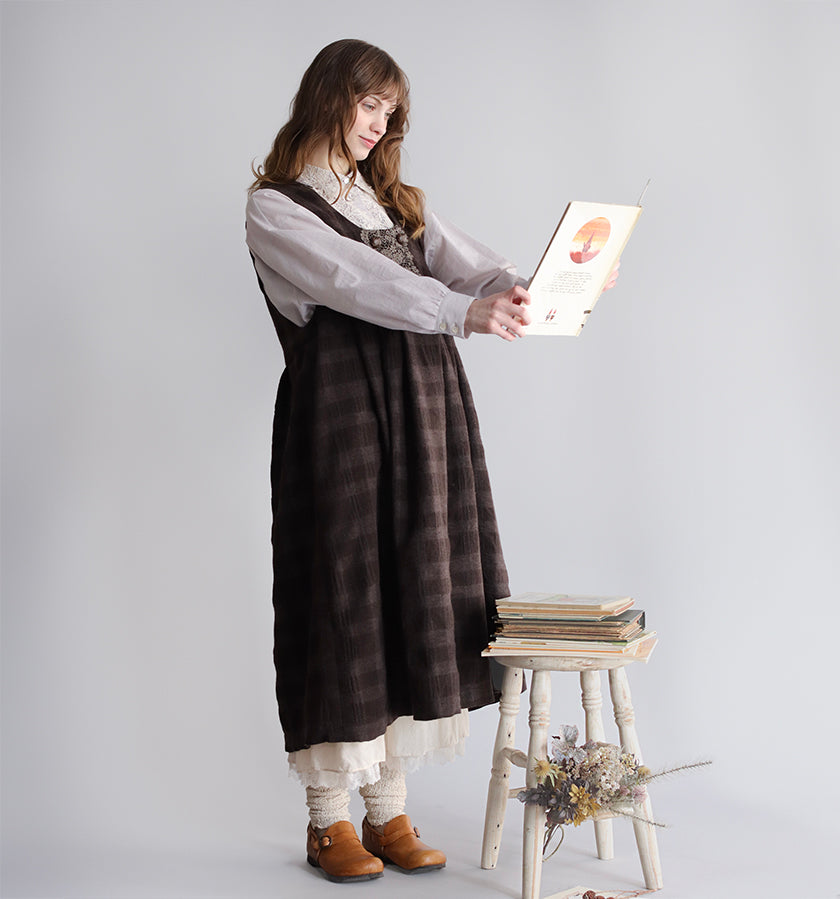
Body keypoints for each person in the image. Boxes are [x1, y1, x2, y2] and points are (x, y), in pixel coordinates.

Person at [246, 39, 615, 885]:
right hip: (341, 420)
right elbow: (357, 283)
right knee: (344, 595)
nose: (379, 124)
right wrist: (462, 312)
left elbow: (475, 268)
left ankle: (389, 811)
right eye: (368, 103)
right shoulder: (275, 207)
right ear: (329, 96)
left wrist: (557, 284)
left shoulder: (392, 200)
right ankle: (329, 819)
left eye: (390, 111)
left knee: (412, 586)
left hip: (423, 410)